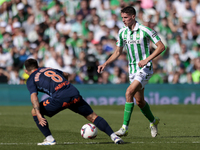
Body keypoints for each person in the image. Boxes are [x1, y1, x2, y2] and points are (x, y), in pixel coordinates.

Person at [97, 6, 165, 138]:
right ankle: (153, 121)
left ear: (133, 17)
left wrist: (147, 59)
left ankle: (124, 128)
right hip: (132, 70)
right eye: (122, 17)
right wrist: (105, 63)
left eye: (126, 17)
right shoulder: (122, 32)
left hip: (145, 68)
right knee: (139, 102)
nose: (123, 20)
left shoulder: (145, 30)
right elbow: (117, 52)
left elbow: (161, 46)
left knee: (128, 92)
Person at [24, 58, 124, 145]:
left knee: (34, 111)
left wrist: (39, 114)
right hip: (72, 91)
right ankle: (114, 137)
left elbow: (34, 97)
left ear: (26, 71)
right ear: (38, 66)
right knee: (93, 116)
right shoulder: (48, 69)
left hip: (60, 97)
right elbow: (66, 74)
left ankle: (49, 139)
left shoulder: (30, 79)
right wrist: (65, 85)